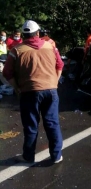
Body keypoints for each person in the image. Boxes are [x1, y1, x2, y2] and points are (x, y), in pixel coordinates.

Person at [3, 20, 64, 164]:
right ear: (37, 33)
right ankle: (56, 156)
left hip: (29, 92)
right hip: (51, 90)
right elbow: (60, 65)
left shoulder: (16, 50)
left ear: (24, 35)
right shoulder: (51, 46)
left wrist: (16, 87)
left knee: (31, 126)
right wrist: (54, 82)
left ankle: (28, 156)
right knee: (52, 123)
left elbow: (7, 73)